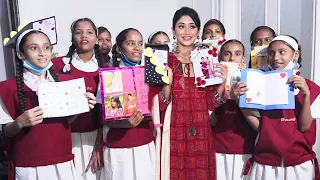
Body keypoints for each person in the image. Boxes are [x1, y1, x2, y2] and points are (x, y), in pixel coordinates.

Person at [0, 26, 96, 180]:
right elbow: (6, 131)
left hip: (62, 160)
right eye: (34, 48)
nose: (42, 53)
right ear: (20, 54)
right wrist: (19, 123)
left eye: (46, 47)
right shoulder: (6, 88)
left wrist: (80, 107)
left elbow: (65, 122)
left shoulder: (66, 82)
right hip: (28, 165)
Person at [233, 35, 320, 180]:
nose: (276, 57)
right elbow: (260, 128)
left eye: (282, 52)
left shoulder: (311, 88)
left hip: (298, 163)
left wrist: (306, 95)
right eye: (271, 53)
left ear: (295, 54)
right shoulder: (259, 86)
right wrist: (239, 102)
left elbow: (304, 127)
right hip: (265, 162)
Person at [150, 6, 216, 180]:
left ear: (198, 31)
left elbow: (212, 103)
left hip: (202, 131)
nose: (187, 31)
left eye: (192, 26)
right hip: (173, 131)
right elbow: (158, 106)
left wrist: (222, 84)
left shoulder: (206, 59)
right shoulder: (161, 59)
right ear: (173, 30)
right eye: (181, 26)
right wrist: (166, 84)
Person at [98, 28, 155, 180]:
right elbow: (102, 118)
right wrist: (126, 123)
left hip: (145, 144)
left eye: (140, 43)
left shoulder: (152, 73)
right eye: (131, 43)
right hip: (119, 148)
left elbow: (159, 109)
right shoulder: (110, 75)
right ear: (119, 48)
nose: (137, 48)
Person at [52, 17, 102, 180]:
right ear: (73, 37)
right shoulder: (58, 66)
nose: (84, 36)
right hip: (65, 137)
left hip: (94, 137)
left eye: (89, 32)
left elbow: (105, 114)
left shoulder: (105, 70)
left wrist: (98, 147)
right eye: (78, 33)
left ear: (96, 37)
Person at [210, 39, 257, 180]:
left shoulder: (253, 81)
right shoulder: (212, 83)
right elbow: (212, 120)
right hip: (219, 148)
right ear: (220, 57)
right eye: (227, 54)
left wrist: (239, 99)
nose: (232, 58)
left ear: (243, 57)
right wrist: (221, 86)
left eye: (237, 54)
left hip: (245, 148)